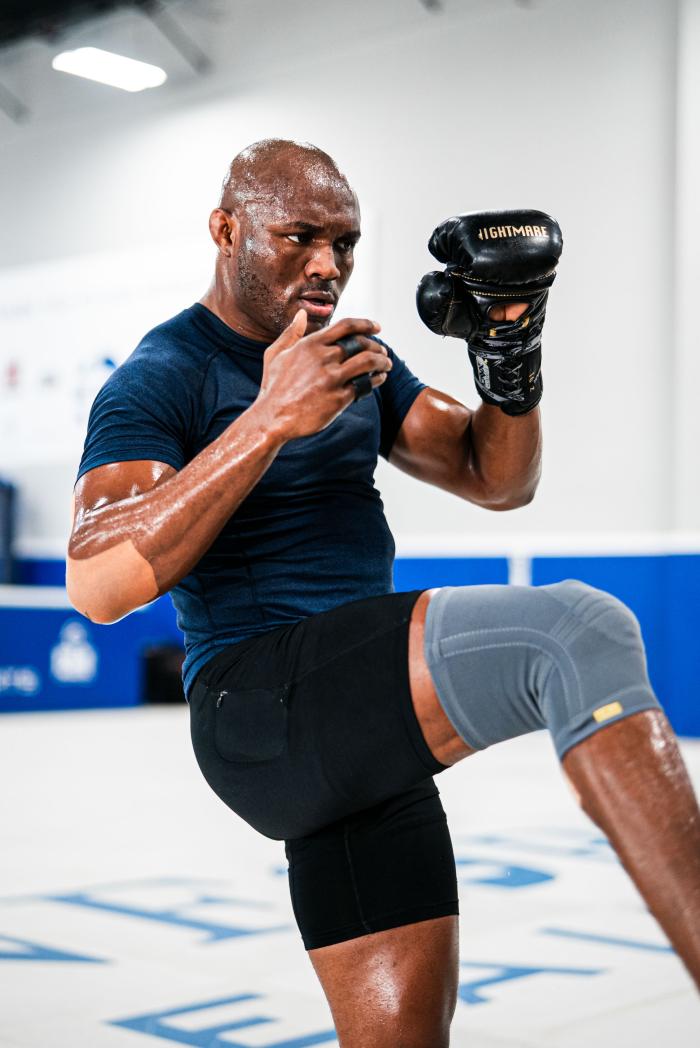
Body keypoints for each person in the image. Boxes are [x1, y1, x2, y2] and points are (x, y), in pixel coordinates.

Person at [67, 139, 700, 1047]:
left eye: (346, 242)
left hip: (359, 720)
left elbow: (495, 478)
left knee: (402, 1036)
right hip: (259, 706)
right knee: (575, 631)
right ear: (226, 230)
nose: (327, 265)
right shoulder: (163, 373)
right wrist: (268, 419)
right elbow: (95, 581)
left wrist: (509, 353)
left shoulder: (356, 357)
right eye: (297, 238)